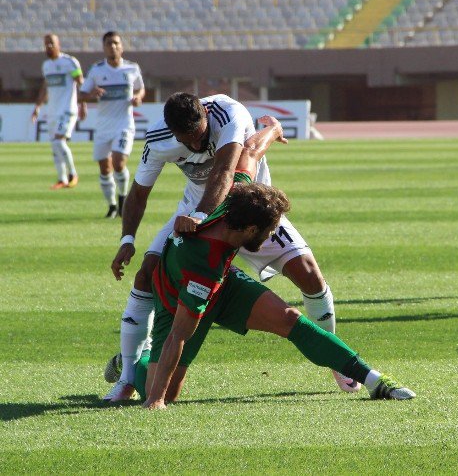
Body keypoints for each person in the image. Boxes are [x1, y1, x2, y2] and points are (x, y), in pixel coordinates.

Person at [107, 117, 415, 407]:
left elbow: (251, 152)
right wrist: (156, 400)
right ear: (251, 229)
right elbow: (179, 334)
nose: (271, 236)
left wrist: (273, 129)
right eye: (269, 230)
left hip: (221, 284)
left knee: (290, 319)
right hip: (179, 300)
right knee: (167, 390)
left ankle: (376, 381)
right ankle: (135, 362)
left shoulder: (233, 198)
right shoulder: (205, 264)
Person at [80, 31, 145, 218]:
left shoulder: (132, 68)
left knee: (118, 162)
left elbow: (140, 88)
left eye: (116, 43)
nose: (113, 46)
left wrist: (138, 97)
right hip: (103, 126)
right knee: (104, 167)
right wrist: (92, 94)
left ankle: (123, 198)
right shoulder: (97, 70)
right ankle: (112, 206)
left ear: (122, 46)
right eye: (109, 43)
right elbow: (81, 94)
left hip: (124, 124)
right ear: (104, 47)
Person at [31, 34, 86, 189]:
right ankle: (62, 179)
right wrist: (38, 107)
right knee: (54, 145)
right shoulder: (46, 66)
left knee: (58, 141)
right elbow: (45, 87)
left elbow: (81, 83)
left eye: (51, 43)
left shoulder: (69, 62)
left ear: (58, 44)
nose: (48, 46)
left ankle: (73, 174)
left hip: (68, 110)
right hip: (53, 111)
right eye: (46, 44)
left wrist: (83, 105)